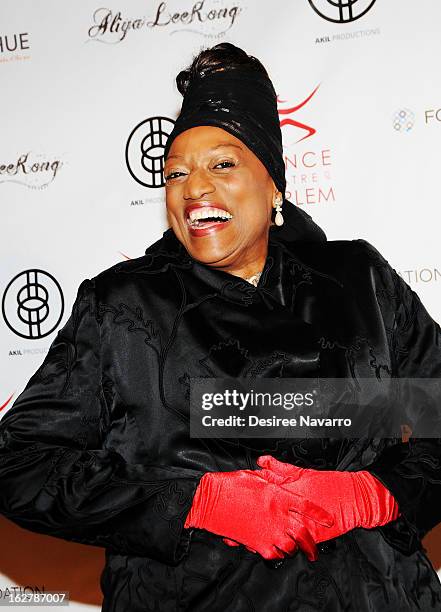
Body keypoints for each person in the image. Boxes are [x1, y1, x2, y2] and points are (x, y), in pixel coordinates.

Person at [0, 42, 441, 611]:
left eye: (223, 164)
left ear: (273, 183)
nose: (194, 188)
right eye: (176, 172)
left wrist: (374, 494)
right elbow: (19, 463)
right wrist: (195, 503)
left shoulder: (359, 282)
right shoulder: (125, 306)